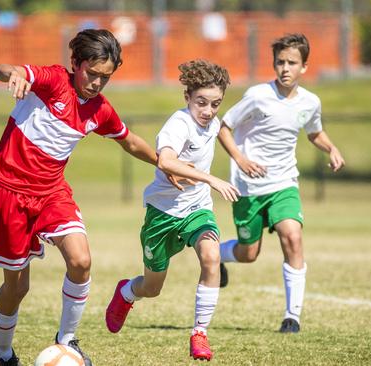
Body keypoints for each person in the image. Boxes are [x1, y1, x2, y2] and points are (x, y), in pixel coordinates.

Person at [0, 29, 185, 366]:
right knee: (17, 288)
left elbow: (130, 140)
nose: (96, 83)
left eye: (105, 77)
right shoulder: (51, 81)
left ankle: (67, 341)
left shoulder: (99, 110)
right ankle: (2, 349)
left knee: (81, 260)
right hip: (10, 192)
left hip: (51, 192)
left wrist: (163, 163)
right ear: (75, 63)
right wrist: (15, 74)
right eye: (91, 73)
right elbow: (4, 69)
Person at [104, 59, 240, 361]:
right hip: (162, 214)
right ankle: (126, 293)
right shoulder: (178, 124)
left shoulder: (213, 122)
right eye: (201, 102)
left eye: (215, 104)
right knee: (152, 288)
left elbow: (220, 132)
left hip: (197, 210)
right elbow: (165, 160)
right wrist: (211, 179)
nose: (208, 111)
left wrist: (240, 158)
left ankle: (199, 333)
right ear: (187, 97)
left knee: (211, 257)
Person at [216, 33, 345, 333]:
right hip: (248, 187)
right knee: (249, 254)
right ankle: (219, 255)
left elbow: (315, 132)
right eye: (280, 62)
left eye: (292, 63)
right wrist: (240, 158)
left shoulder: (311, 102)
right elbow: (224, 127)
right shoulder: (258, 96)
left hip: (284, 184)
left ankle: (292, 317)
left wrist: (332, 147)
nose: (285, 68)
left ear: (304, 67)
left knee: (293, 237)